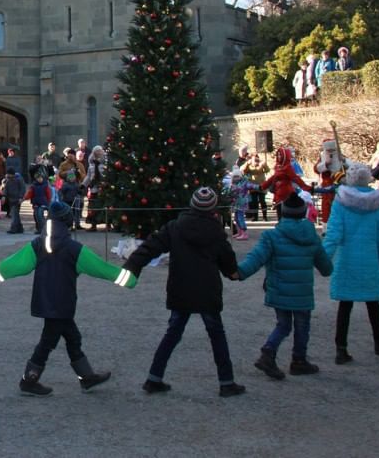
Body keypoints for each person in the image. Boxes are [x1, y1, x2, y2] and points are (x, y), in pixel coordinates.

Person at [0, 200, 136, 396]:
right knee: (49, 341)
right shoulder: (74, 249)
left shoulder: (37, 245)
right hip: (63, 302)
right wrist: (128, 279)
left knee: (71, 337)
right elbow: (101, 269)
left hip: (45, 300)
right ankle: (29, 380)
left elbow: (16, 265)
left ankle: (86, 377)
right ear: (68, 222)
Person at [122, 187, 245, 397]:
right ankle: (226, 382)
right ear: (213, 209)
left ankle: (154, 378)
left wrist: (133, 266)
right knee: (217, 335)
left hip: (181, 286)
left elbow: (150, 247)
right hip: (208, 290)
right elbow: (228, 261)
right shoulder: (216, 233)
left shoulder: (175, 227)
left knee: (173, 333)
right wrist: (233, 273)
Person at [235, 194, 332, 379]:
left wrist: (239, 272)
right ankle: (299, 360)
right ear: (303, 213)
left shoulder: (272, 236)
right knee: (303, 325)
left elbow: (255, 257)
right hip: (302, 291)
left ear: (283, 214)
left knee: (283, 325)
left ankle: (268, 352)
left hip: (279, 288)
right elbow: (326, 268)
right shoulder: (312, 236)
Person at [323, 161, 379, 364]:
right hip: (369, 258)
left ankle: (341, 348)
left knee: (345, 305)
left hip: (347, 259)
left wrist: (324, 259)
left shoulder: (340, 203)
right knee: (373, 303)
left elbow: (333, 234)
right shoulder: (377, 205)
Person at [224, 169, 258, 241]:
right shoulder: (232, 184)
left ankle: (244, 233)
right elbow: (229, 192)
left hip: (242, 203)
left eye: (237, 176)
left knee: (240, 218)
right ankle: (239, 232)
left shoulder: (244, 183)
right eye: (234, 176)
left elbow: (252, 186)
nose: (236, 178)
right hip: (236, 203)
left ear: (240, 176)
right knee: (236, 218)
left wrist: (259, 187)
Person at [243, 153, 270, 222]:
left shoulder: (261, 164)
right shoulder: (250, 165)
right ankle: (255, 217)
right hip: (253, 186)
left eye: (256, 158)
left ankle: (265, 216)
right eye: (254, 159)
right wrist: (247, 163)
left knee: (262, 201)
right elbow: (243, 171)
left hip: (261, 185)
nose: (255, 160)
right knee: (254, 202)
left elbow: (267, 170)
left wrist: (263, 164)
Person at [25, 171, 54, 235]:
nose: (40, 179)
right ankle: (39, 229)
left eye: (41, 178)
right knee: (36, 216)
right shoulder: (33, 186)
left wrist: (49, 202)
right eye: (38, 178)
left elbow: (49, 194)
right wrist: (25, 198)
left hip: (43, 203)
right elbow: (30, 193)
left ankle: (44, 229)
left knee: (40, 216)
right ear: (36, 179)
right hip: (35, 203)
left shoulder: (45, 185)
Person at [1, 169, 26, 234]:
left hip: (17, 200)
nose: (7, 175)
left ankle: (13, 228)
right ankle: (20, 228)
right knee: (16, 215)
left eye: (8, 174)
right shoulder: (8, 180)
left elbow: (22, 189)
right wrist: (4, 196)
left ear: (12, 174)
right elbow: (6, 189)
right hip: (11, 200)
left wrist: (21, 197)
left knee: (14, 215)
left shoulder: (19, 179)